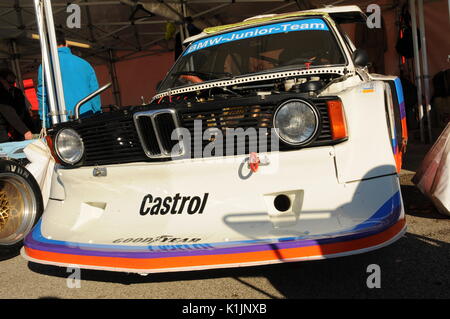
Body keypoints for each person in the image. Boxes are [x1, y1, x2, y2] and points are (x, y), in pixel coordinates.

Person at [37, 30, 101, 128]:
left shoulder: (45, 65)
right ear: (66, 43)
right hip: (86, 115)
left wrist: (44, 122)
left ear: (48, 46)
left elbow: (43, 95)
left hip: (59, 119)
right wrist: (97, 113)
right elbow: (94, 93)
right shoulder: (84, 63)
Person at [0, 69, 35, 141]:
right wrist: (25, 131)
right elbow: (8, 111)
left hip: (17, 125)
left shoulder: (17, 92)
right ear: (2, 80)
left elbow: (22, 108)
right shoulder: (1, 93)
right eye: (10, 82)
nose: (12, 85)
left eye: (13, 82)